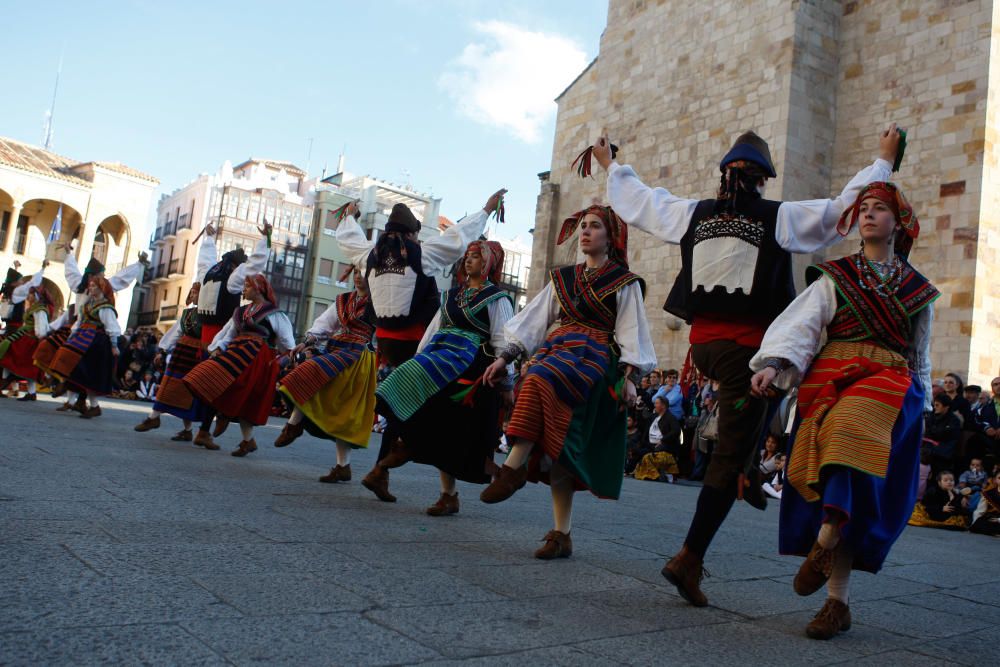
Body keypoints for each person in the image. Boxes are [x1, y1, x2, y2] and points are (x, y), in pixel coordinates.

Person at [596, 122, 902, 608]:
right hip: (745, 354)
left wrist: (613, 166)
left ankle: (749, 470)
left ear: (725, 176)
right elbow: (840, 211)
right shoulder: (778, 217)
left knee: (769, 393)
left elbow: (640, 202)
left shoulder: (692, 213)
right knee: (759, 406)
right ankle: (691, 553)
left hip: (704, 350)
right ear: (763, 179)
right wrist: (883, 161)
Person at [749, 180, 938, 640]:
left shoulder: (917, 290)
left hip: (889, 384)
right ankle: (837, 601)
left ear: (898, 223)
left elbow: (921, 354)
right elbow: (804, 326)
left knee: (848, 437)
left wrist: (923, 410)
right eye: (865, 208)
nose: (869, 214)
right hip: (832, 377)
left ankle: (826, 546)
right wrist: (774, 365)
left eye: (879, 209)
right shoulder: (838, 277)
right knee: (842, 469)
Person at [479, 204, 656, 559]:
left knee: (540, 377)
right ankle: (561, 535)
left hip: (595, 360)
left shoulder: (623, 283)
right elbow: (533, 320)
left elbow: (632, 331)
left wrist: (630, 377)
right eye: (584, 226)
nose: (586, 232)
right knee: (560, 447)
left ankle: (511, 469)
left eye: (594, 227)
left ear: (611, 237)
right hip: (559, 348)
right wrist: (503, 357)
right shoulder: (563, 279)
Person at [336, 189, 506, 502]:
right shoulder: (419, 254)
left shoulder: (371, 254)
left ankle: (387, 466)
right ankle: (395, 461)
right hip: (420, 343)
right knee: (422, 406)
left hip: (386, 341)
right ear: (414, 233)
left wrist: (348, 217)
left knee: (405, 401)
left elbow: (348, 241)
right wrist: (485, 210)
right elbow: (455, 239)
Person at [372, 240, 514, 514]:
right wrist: (417, 362)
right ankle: (413, 456)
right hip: (438, 362)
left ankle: (413, 456)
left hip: (472, 371)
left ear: (489, 263)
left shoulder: (496, 299)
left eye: (475, 257)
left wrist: (507, 380)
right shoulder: (451, 296)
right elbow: (432, 333)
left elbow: (504, 340)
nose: (468, 261)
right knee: (412, 401)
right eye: (467, 256)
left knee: (448, 432)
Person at [273, 267, 377, 482]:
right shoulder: (343, 300)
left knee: (342, 411)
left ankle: (297, 428)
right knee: (309, 376)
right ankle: (297, 427)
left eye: (365, 272)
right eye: (356, 271)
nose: (358, 276)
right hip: (339, 349)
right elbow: (325, 324)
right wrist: (307, 341)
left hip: (359, 358)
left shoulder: (380, 302)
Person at [183, 274, 295, 456]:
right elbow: (228, 334)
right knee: (208, 378)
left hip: (258, 359)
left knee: (243, 398)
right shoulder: (240, 312)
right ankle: (243, 436)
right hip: (236, 353)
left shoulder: (274, 314)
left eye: (247, 286)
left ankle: (227, 421)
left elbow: (287, 342)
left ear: (259, 289)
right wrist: (218, 348)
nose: (243, 289)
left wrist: (288, 360)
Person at [133, 240, 219, 443]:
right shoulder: (188, 314)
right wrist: (162, 350)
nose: (193, 294)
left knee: (187, 392)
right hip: (182, 353)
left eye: (197, 291)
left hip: (197, 356)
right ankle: (156, 418)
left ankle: (180, 427)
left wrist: (209, 242)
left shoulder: (210, 315)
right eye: (193, 291)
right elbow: (175, 332)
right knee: (170, 386)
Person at [44, 243, 146, 412]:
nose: (98, 282)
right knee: (73, 358)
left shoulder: (103, 303)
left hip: (95, 336)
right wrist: (69, 255)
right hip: (81, 329)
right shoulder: (81, 286)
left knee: (83, 366)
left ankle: (73, 394)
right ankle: (65, 387)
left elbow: (122, 278)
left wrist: (138, 265)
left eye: (97, 283)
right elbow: (72, 272)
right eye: (100, 275)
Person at [48, 277, 123, 418]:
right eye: (91, 286)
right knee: (66, 355)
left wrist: (114, 345)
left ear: (102, 288)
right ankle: (65, 384)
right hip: (84, 337)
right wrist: (71, 336)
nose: (91, 288)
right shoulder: (88, 304)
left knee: (87, 374)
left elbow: (111, 327)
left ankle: (83, 398)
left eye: (94, 286)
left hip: (97, 342)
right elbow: (80, 321)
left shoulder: (105, 308)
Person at [0, 267, 54, 400]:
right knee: (20, 363)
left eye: (30, 294)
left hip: (30, 340)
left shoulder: (39, 309)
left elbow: (41, 327)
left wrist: (40, 340)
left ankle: (14, 386)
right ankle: (29, 392)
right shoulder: (33, 307)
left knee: (20, 362)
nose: (27, 296)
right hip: (24, 337)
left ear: (35, 296)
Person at [633, 397, 682, 482]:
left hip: (663, 447)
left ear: (663, 405)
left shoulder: (670, 417)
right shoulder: (654, 416)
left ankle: (659, 475)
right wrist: (639, 410)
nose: (654, 405)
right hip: (650, 445)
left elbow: (676, 430)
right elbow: (642, 424)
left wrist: (663, 440)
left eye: (656, 403)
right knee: (636, 449)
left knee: (646, 455)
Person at [924, 394, 961, 473]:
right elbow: (928, 435)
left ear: (946, 407)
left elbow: (950, 438)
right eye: (934, 405)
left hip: (944, 454)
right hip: (929, 451)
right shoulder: (931, 417)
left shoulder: (954, 421)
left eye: (937, 405)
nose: (935, 407)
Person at [969, 468, 1000, 536]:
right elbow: (980, 510)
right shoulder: (988, 493)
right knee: (980, 522)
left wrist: (998, 520)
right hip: (992, 519)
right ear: (995, 480)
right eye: (999, 478)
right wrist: (974, 523)